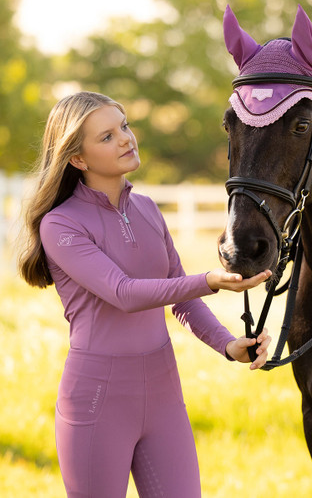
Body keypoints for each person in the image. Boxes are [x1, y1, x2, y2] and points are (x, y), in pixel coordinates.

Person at [18, 91, 272, 498]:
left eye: (124, 126)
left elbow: (181, 300)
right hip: (98, 402)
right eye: (106, 136)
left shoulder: (149, 210)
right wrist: (208, 280)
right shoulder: (61, 224)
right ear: (78, 159)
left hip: (164, 396)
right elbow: (124, 293)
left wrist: (228, 345)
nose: (125, 138)